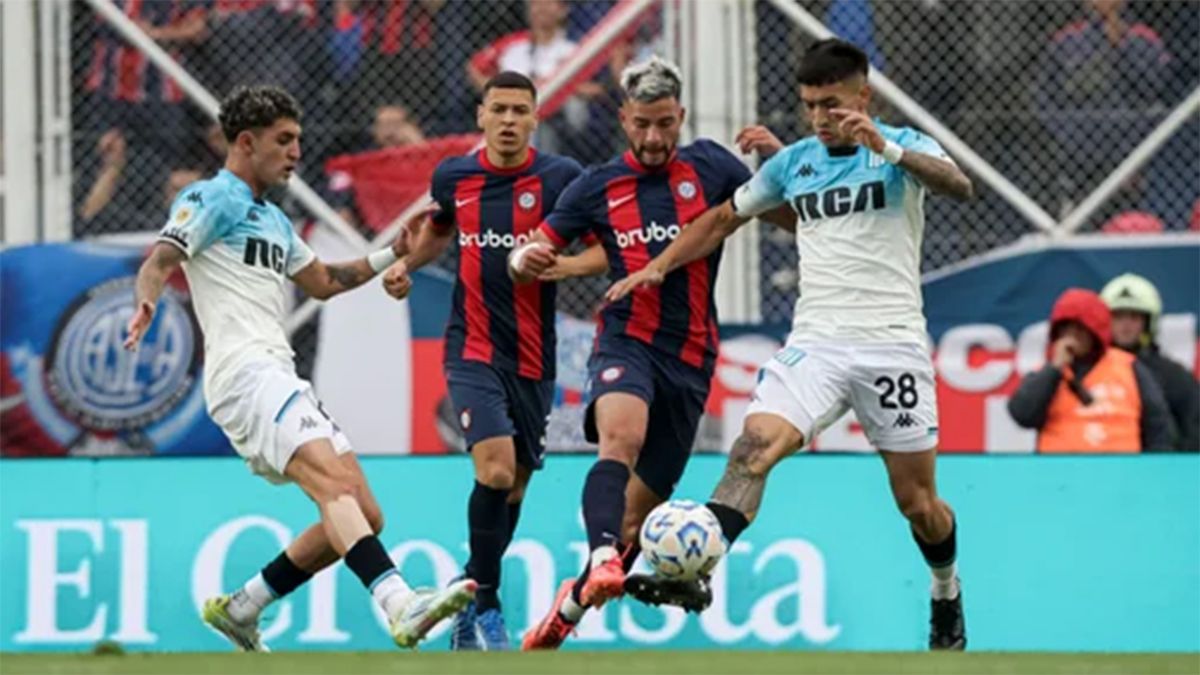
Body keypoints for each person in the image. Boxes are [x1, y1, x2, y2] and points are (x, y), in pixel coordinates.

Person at [608, 40, 976, 650]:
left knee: (918, 503)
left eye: (832, 104)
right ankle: (697, 571)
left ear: (864, 96)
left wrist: (885, 148)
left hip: (891, 346)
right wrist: (659, 265)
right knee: (752, 449)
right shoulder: (795, 162)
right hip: (816, 345)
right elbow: (722, 218)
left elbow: (959, 186)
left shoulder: (901, 146)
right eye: (810, 105)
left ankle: (946, 590)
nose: (820, 117)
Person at [122, 85, 474, 652]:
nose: (295, 152)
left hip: (276, 373)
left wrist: (393, 253)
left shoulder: (274, 220)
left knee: (364, 514)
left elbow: (326, 282)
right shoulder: (210, 198)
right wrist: (147, 300)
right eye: (284, 140)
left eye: (298, 140)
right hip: (244, 374)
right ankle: (400, 604)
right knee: (334, 487)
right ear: (245, 142)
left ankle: (243, 607)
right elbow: (162, 259)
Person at [509, 56, 794, 650]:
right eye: (642, 124)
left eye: (665, 123)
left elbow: (793, 220)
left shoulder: (712, 166)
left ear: (681, 116)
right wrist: (525, 260)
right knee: (621, 438)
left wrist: (782, 163)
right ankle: (602, 558)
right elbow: (531, 251)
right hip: (627, 337)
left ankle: (568, 608)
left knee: (637, 518)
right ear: (623, 119)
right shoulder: (597, 186)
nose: (654, 137)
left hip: (691, 355)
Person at [381, 71, 603, 650]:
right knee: (496, 471)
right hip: (472, 347)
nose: (507, 120)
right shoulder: (455, 175)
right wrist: (407, 264)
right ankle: (485, 605)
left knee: (515, 489)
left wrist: (561, 266)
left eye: (519, 111)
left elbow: (605, 250)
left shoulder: (561, 179)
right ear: (480, 115)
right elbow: (438, 231)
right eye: (498, 109)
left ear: (535, 118)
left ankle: (465, 593)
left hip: (534, 356)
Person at [1008, 288, 1175, 452]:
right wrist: (1054, 369)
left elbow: (1158, 428)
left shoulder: (1130, 368)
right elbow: (1022, 415)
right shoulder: (1047, 373)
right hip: (1058, 468)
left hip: (1119, 468)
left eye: (1080, 329)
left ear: (1095, 332)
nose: (1072, 336)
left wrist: (1153, 466)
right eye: (1065, 329)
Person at [1100, 273, 1198, 451]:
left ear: (1148, 323)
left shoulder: (1174, 377)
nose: (1126, 325)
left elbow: (1194, 431)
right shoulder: (1089, 372)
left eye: (1134, 317)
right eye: (1118, 316)